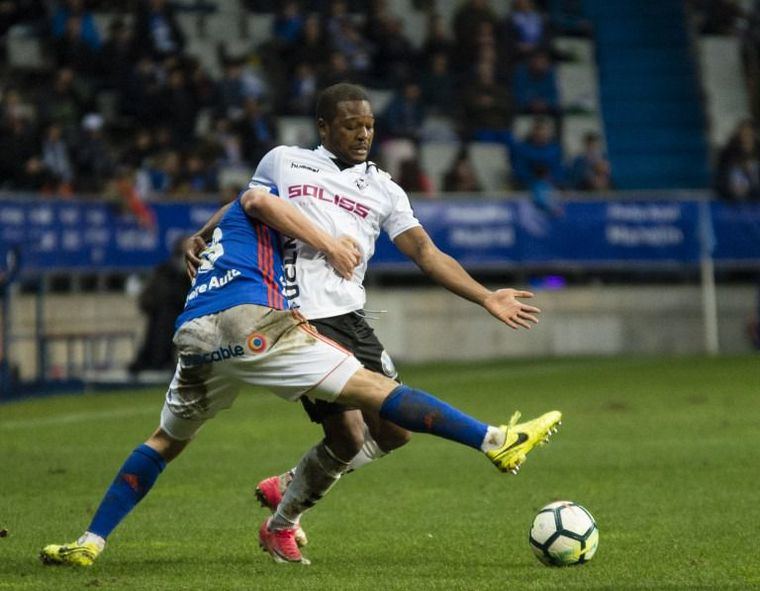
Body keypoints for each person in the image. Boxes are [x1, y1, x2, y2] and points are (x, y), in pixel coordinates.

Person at [39, 185, 562, 567]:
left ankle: (90, 541)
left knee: (163, 441)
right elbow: (258, 199)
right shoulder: (269, 199)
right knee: (378, 393)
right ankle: (494, 439)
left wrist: (197, 234)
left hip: (194, 333)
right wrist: (331, 246)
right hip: (253, 324)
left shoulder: (230, 227)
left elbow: (239, 203)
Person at [184, 83, 554, 562]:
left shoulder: (384, 188)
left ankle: (288, 498)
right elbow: (247, 205)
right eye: (351, 125)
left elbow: (424, 251)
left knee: (387, 434)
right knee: (355, 433)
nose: (363, 135)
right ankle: (492, 441)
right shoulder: (285, 160)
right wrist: (205, 232)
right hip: (301, 314)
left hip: (351, 317)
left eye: (369, 126)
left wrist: (485, 297)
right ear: (323, 127)